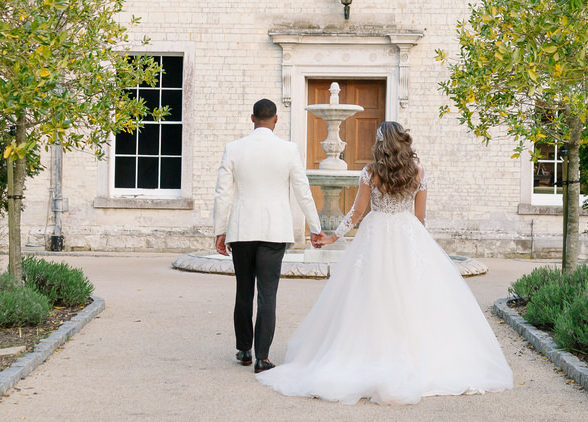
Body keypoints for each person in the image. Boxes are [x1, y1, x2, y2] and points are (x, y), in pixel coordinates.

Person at [256, 121, 514, 405]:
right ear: (403, 142)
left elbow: (356, 213)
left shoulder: (371, 172)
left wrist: (333, 237)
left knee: (370, 295)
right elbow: (420, 218)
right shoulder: (417, 172)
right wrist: (419, 247)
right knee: (411, 295)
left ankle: (369, 351)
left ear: (381, 143)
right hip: (407, 232)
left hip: (376, 233)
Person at [213, 98, 324, 373]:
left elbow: (223, 193)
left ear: (252, 118)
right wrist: (315, 227)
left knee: (243, 290)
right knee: (268, 294)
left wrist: (219, 230)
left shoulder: (234, 149)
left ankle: (244, 349)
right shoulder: (288, 150)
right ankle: (262, 357)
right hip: (275, 231)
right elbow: (302, 190)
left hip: (242, 229)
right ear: (276, 120)